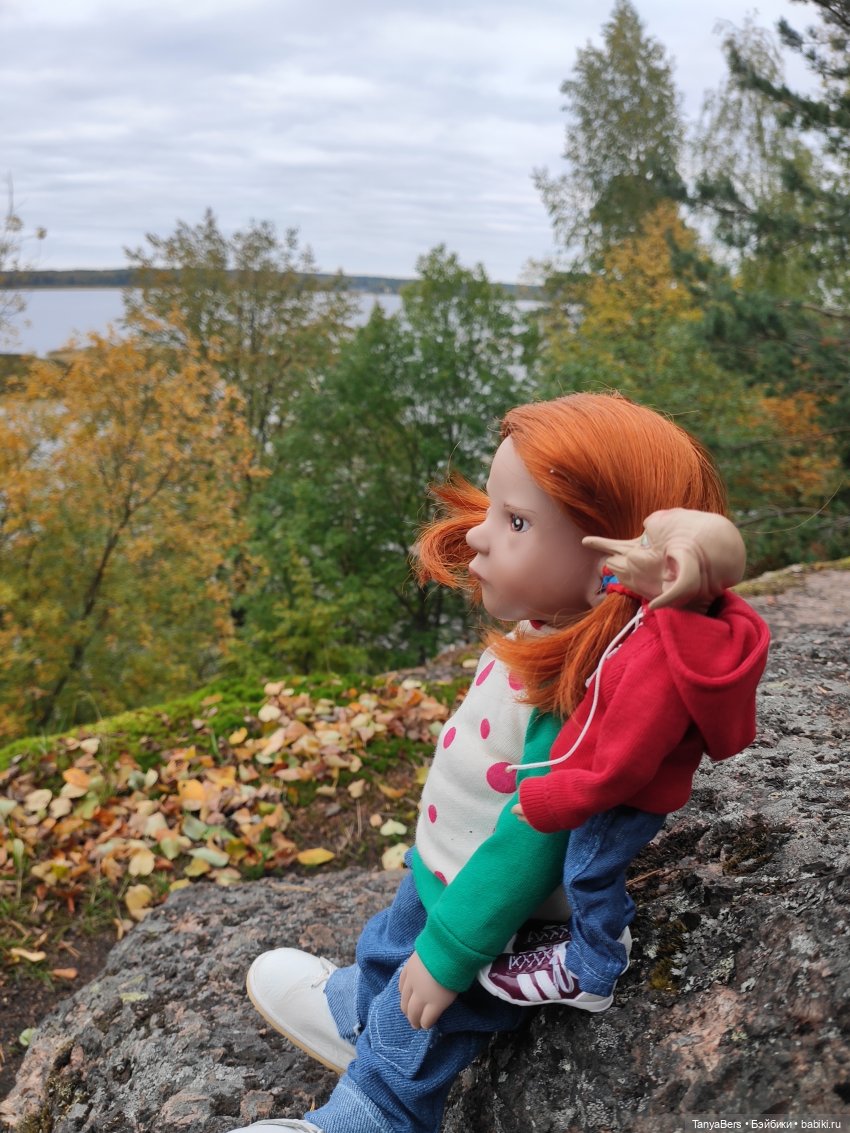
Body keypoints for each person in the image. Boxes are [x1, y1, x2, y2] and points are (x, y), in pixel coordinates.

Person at [225, 392, 769, 1133]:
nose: (479, 535)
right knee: (393, 942)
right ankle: (359, 1012)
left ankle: (377, 1109)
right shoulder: (542, 630)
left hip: (494, 905)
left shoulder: (583, 699)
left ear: (610, 572)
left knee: (425, 1016)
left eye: (516, 522)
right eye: (496, 507)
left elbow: (532, 836)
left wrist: (452, 953)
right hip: (448, 862)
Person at [477, 506, 769, 1012]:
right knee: (589, 869)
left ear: (675, 574)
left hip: (624, 799)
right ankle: (594, 936)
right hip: (619, 781)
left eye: (645, 546)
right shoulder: (678, 617)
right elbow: (643, 596)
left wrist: (555, 799)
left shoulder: (659, 666)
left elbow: (623, 768)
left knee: (587, 874)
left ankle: (591, 969)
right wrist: (622, 583)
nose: (629, 549)